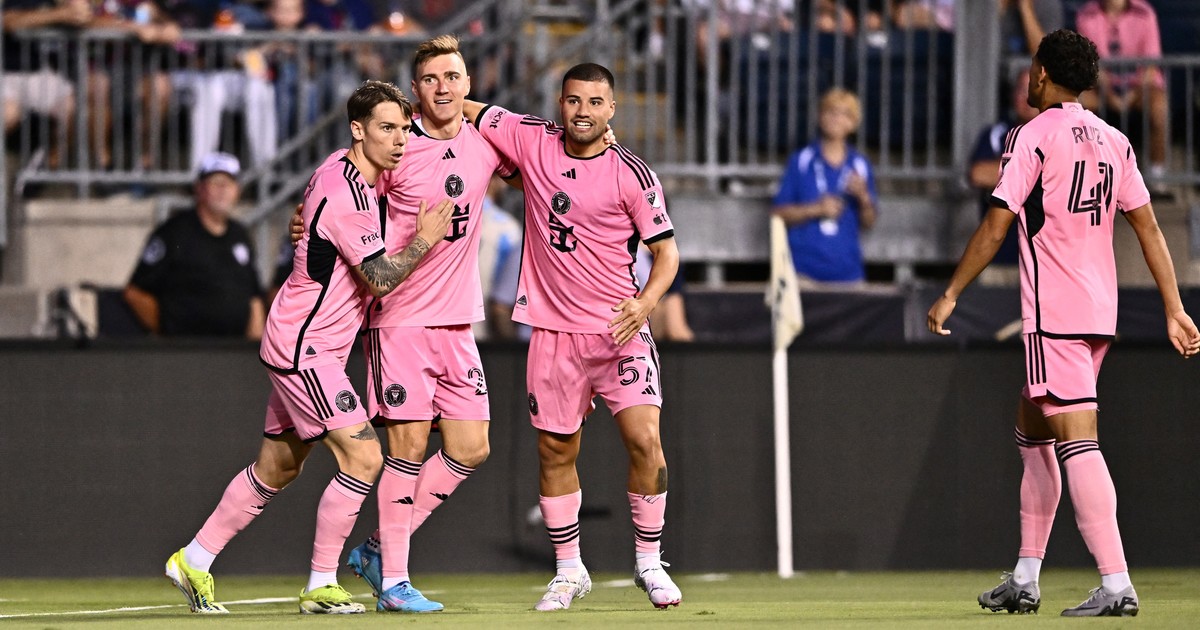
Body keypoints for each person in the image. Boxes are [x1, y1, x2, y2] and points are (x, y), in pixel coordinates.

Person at [927, 29, 1200, 617]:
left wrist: (950, 293)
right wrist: (1174, 306)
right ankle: (1025, 577)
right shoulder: (1115, 140)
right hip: (1100, 311)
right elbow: (1149, 227)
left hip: (1054, 313)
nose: (1029, 76)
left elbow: (996, 225)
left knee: (1078, 441)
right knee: (1033, 432)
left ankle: (1117, 584)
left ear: (1044, 74)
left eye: (1033, 67)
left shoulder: (1031, 136)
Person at [163, 80, 455, 615]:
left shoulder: (343, 173)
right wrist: (425, 238)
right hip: (307, 346)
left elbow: (316, 221)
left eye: (402, 129)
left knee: (277, 467)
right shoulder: (348, 195)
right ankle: (322, 583)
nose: (398, 140)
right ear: (357, 129)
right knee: (364, 456)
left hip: (305, 339)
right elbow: (380, 279)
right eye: (386, 128)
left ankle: (194, 559)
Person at [462, 63, 684, 611]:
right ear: (560, 104)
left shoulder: (632, 173)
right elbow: (466, 108)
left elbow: (666, 253)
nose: (583, 111)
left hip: (618, 330)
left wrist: (645, 303)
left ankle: (649, 561)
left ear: (612, 109)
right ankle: (568, 571)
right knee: (555, 450)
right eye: (574, 100)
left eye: (595, 101)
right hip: (554, 333)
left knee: (645, 442)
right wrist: (419, 101)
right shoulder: (532, 139)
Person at [337, 34, 517, 614]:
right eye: (432, 79)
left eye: (452, 77)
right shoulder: (398, 144)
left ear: (468, 84)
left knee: (471, 446)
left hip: (458, 322)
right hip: (401, 320)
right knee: (408, 448)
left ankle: (375, 550)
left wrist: (600, 142)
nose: (443, 87)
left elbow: (541, 163)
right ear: (415, 90)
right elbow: (344, 192)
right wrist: (304, 219)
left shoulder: (485, 142)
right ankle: (395, 581)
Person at [124, 152, 266, 339]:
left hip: (233, 350)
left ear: (237, 191)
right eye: (216, 183)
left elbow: (253, 297)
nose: (223, 190)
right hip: (186, 351)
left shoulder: (240, 235)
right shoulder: (173, 233)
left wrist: (257, 347)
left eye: (229, 183)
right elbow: (135, 293)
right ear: (199, 188)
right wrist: (167, 333)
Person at [771, 87, 878, 286]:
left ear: (853, 123)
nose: (836, 119)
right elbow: (778, 213)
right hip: (803, 274)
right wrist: (816, 209)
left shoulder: (860, 164)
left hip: (848, 274)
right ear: (820, 117)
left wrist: (864, 197)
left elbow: (869, 222)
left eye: (844, 114)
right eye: (831, 112)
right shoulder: (801, 160)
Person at [1073, 0, 1168, 190]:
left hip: (1140, 88)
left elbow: (1150, 66)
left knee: (1159, 107)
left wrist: (1131, 96)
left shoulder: (1146, 14)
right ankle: (1084, 174)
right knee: (1075, 107)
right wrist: (1110, 97)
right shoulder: (1085, 15)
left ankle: (1157, 176)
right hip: (1100, 88)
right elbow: (1091, 65)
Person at [966, 69, 1039, 284]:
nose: (1028, 98)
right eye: (1022, 90)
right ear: (1012, 96)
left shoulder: (1057, 134)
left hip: (1040, 261)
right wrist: (1033, 168)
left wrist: (1006, 171)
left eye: (1034, 89)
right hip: (995, 258)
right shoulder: (996, 134)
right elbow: (979, 174)